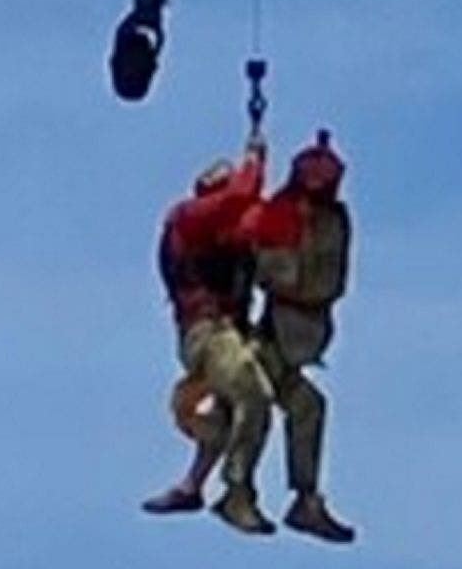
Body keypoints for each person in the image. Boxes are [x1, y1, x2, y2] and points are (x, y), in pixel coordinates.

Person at [140, 137, 301, 536]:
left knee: (233, 409)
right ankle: (237, 493)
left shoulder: (233, 234)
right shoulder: (189, 217)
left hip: (231, 331)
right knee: (252, 393)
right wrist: (255, 160)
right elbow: (241, 195)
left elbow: (280, 226)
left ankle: (193, 484)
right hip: (207, 332)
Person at [253, 131, 358, 544]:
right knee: (250, 405)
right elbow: (272, 273)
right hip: (271, 332)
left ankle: (305, 498)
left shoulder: (334, 220)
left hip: (302, 334)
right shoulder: (283, 212)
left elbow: (333, 279)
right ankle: (238, 489)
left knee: (308, 407)